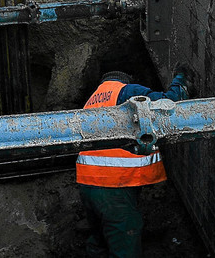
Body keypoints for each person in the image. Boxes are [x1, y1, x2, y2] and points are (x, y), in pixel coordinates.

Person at [76, 68, 192, 258]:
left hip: (89, 183)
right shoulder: (125, 91)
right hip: (113, 184)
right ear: (125, 81)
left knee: (100, 240)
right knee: (124, 242)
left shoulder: (93, 100)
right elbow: (167, 104)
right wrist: (181, 80)